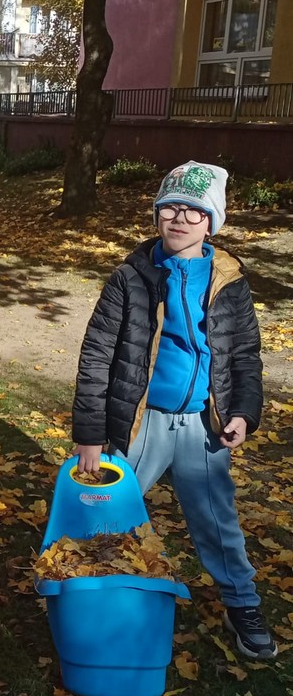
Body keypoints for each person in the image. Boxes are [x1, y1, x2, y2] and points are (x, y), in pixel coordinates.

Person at [72, 161, 276, 660]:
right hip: (142, 420)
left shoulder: (229, 280)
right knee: (105, 507)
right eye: (171, 208)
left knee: (216, 521)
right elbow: (96, 355)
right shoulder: (131, 277)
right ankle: (86, 592)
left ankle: (241, 602)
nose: (181, 219)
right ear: (157, 214)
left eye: (194, 211)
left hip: (203, 426)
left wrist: (243, 412)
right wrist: (91, 434)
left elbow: (244, 355)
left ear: (212, 222)